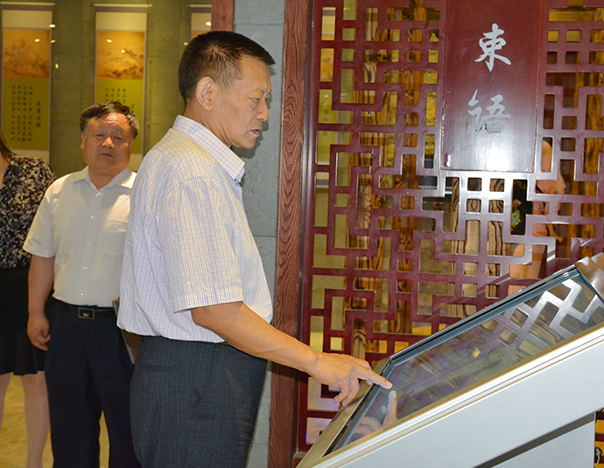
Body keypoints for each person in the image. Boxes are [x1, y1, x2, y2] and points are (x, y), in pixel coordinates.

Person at [118, 31, 391, 467]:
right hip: (196, 381)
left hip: (198, 376)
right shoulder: (192, 171)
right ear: (208, 92)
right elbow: (215, 311)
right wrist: (317, 362)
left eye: (266, 100)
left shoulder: (192, 162)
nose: (264, 113)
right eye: (256, 99)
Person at [24, 102, 141, 468]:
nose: (108, 143)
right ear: (82, 141)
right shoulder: (59, 191)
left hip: (122, 332)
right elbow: (43, 256)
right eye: (99, 135)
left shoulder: (145, 195)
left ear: (131, 144)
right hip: (67, 329)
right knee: (70, 433)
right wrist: (35, 312)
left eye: (118, 137)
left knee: (128, 432)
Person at [0, 132, 54, 468]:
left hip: (30, 288)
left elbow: (54, 228)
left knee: (37, 381)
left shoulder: (33, 171)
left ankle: (34, 462)